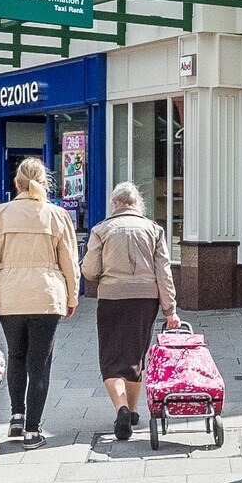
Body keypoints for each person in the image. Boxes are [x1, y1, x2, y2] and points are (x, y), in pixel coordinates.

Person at [0, 155, 79, 445]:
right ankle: (33, 430)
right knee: (39, 363)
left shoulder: (0, 213)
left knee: (16, 356)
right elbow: (69, 262)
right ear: (44, 183)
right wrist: (72, 297)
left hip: (10, 296)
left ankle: (16, 416)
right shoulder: (57, 215)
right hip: (46, 296)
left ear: (17, 183)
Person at [81, 182, 181, 440]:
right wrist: (170, 309)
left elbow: (90, 271)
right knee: (137, 355)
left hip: (112, 298)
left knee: (111, 358)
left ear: (115, 204)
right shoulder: (154, 229)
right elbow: (164, 272)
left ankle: (121, 408)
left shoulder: (101, 230)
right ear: (137, 204)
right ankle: (134, 411)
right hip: (145, 300)